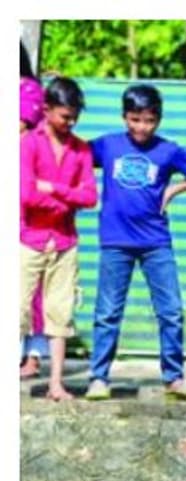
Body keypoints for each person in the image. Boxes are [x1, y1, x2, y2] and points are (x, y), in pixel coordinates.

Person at [84, 84, 186, 402]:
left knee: (170, 311)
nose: (142, 127)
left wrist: (172, 190)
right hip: (115, 242)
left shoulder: (168, 151)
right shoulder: (107, 145)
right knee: (108, 312)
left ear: (159, 120)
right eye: (135, 119)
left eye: (150, 120)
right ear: (124, 117)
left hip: (156, 242)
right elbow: (74, 158)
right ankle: (99, 378)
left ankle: (174, 378)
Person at [19, 77, 97, 402]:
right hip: (28, 238)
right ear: (47, 110)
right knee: (15, 309)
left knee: (60, 315)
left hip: (64, 241)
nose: (71, 122)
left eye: (75, 116)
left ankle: (55, 385)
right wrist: (68, 199)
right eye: (65, 116)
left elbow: (90, 196)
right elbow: (24, 194)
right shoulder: (27, 144)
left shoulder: (81, 149)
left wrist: (53, 189)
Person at [19, 42, 49, 380]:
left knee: (29, 279)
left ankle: (34, 354)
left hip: (24, 197)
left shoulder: (25, 90)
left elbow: (18, 129)